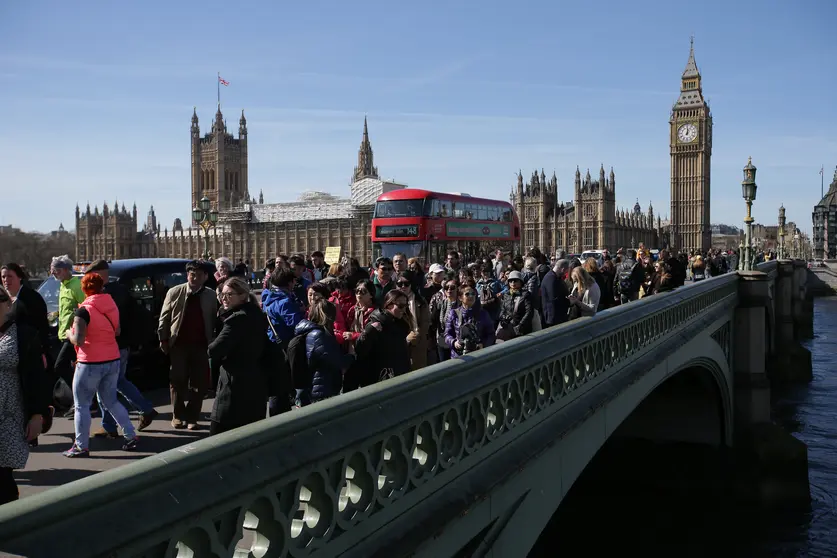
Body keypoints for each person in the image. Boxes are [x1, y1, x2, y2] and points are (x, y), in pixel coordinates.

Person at [63, 273, 138, 457]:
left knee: (81, 405)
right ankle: (130, 435)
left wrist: (68, 334)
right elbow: (117, 330)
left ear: (84, 289)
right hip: (112, 359)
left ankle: (81, 446)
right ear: (102, 286)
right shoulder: (110, 304)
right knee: (111, 401)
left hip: (89, 363)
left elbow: (79, 340)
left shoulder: (83, 311)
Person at [85, 260, 157, 438]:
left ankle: (119, 421)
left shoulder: (108, 294)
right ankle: (114, 423)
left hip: (112, 346)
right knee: (116, 383)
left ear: (100, 274)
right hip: (120, 345)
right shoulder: (119, 290)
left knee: (107, 385)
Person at [0, 285, 52, 504]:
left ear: (8, 304)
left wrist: (38, 415)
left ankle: (12, 523)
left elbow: (37, 377)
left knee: (3, 474)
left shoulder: (23, 334)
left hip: (10, 413)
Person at [158, 260, 217, 430]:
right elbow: (164, 318)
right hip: (179, 345)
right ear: (187, 275)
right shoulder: (175, 292)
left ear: (206, 277)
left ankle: (192, 418)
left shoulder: (211, 295)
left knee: (199, 383)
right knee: (177, 381)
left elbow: (214, 318)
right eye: (192, 274)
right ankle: (177, 416)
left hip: (201, 345)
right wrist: (163, 339)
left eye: (199, 275)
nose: (195, 278)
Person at [208, 277, 269, 435]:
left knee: (217, 436)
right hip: (256, 381)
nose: (224, 299)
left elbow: (214, 351)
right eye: (222, 295)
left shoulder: (237, 319)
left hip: (234, 385)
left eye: (229, 294)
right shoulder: (256, 313)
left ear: (242, 295)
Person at [293, 300, 352, 406]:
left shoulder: (313, 332)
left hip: (319, 385)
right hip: (322, 388)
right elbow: (334, 361)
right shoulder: (318, 335)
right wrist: (351, 357)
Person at [50, 255, 86, 413]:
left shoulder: (76, 285)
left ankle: (81, 398)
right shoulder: (63, 285)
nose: (54, 274)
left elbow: (84, 308)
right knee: (72, 368)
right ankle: (80, 400)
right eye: (52, 271)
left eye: (56, 270)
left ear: (66, 270)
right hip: (63, 333)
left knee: (60, 366)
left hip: (72, 335)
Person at [354, 290, 412, 384]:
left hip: (400, 376)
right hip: (380, 379)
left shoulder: (401, 324)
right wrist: (368, 333)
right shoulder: (375, 325)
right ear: (389, 305)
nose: (404, 309)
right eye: (400, 306)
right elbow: (360, 350)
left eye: (406, 306)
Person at [1, 263, 49, 352]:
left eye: (10, 276)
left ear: (19, 277)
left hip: (29, 351)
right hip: (8, 349)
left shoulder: (32, 298)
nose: (6, 280)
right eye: (3, 277)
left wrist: (42, 351)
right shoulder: (4, 298)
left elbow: (41, 327)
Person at [444, 285, 495, 357]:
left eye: (473, 294)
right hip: (458, 356)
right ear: (460, 298)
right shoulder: (454, 313)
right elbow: (447, 334)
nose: (471, 296)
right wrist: (454, 342)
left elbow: (491, 334)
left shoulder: (483, 314)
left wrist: (483, 344)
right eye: (467, 294)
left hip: (479, 354)